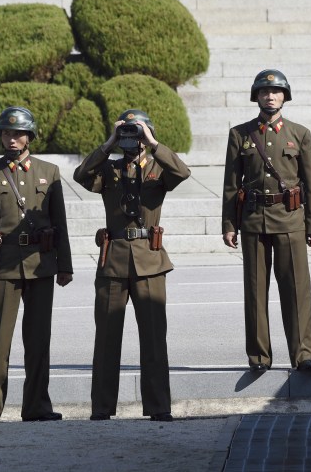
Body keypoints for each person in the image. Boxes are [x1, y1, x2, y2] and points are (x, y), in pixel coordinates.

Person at [73, 109, 190, 422]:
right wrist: (109, 142)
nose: (130, 139)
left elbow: (182, 172)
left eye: (134, 133)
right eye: (127, 133)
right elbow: (81, 176)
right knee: (107, 339)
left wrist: (153, 143)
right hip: (113, 261)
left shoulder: (157, 166)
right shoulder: (109, 170)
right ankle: (102, 407)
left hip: (149, 260)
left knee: (153, 339)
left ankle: (158, 406)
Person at [0, 106, 73, 424]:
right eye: (6, 133)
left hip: (41, 265)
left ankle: (37, 407)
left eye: (17, 133)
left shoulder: (49, 171)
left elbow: (60, 222)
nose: (11, 138)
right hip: (2, 265)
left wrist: (64, 265)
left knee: (39, 340)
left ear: (29, 136)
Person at [222, 69, 311, 372]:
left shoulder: (299, 134)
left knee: (296, 291)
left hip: (291, 221)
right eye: (264, 92)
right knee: (254, 291)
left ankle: (303, 355)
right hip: (253, 221)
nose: (270, 96)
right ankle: (259, 356)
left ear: (284, 97)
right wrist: (229, 224)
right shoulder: (240, 134)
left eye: (276, 92)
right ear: (257, 97)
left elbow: (309, 183)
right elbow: (230, 183)